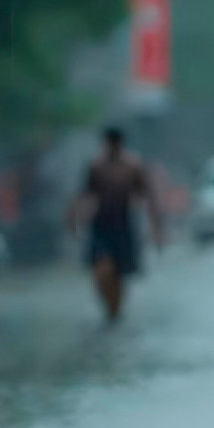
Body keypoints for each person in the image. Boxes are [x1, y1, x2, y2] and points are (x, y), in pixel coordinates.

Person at [75, 126, 164, 321]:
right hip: (101, 224)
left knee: (120, 272)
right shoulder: (96, 166)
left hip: (123, 224)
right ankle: (109, 304)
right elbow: (84, 195)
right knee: (102, 270)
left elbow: (148, 196)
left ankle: (115, 311)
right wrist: (79, 221)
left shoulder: (133, 166)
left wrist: (157, 228)